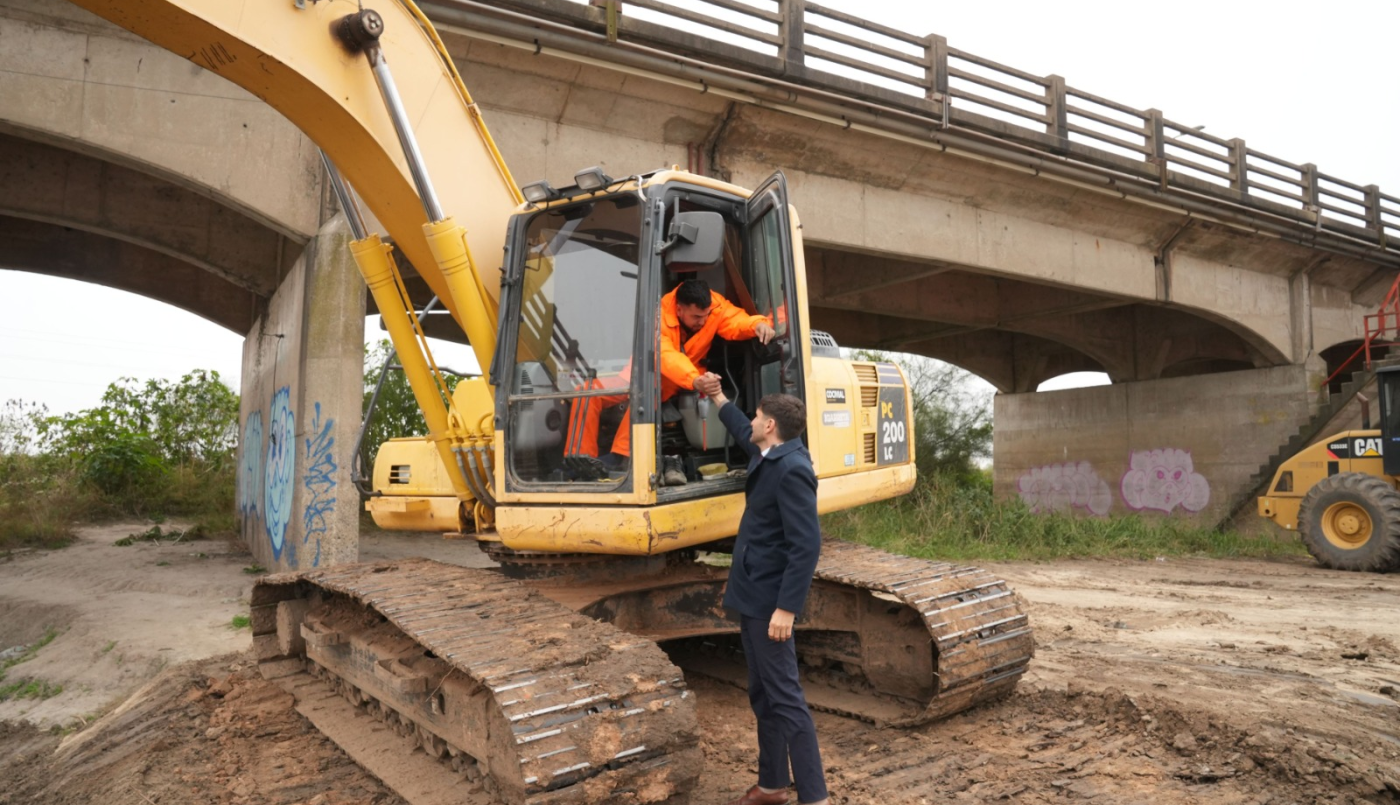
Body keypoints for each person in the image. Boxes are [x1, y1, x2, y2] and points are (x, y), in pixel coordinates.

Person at [693, 374, 829, 805]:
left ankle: (815, 797)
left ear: (770, 425)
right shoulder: (771, 450)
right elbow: (738, 426)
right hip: (752, 594)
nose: (751, 421)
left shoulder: (792, 469)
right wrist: (718, 397)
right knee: (763, 693)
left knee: (786, 699)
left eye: (757, 416)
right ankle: (772, 784)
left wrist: (787, 609)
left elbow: (806, 546)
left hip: (771, 603)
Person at [565, 278, 774, 480]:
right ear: (679, 309)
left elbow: (735, 320)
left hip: (683, 375)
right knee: (587, 391)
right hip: (650, 372)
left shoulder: (715, 306)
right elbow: (664, 355)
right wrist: (693, 379)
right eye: (696, 317)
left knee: (647, 391)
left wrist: (757, 325)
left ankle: (621, 456)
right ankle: (580, 461)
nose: (702, 321)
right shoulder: (659, 315)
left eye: (705, 316)